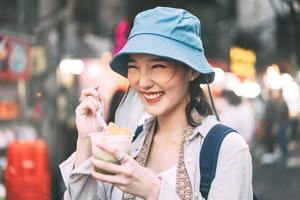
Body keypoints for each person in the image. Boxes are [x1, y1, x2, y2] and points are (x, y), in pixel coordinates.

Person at [60, 7, 253, 200]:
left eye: (158, 66)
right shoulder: (131, 143)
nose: (143, 82)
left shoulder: (226, 149)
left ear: (192, 71)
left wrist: (154, 190)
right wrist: (86, 139)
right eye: (133, 66)